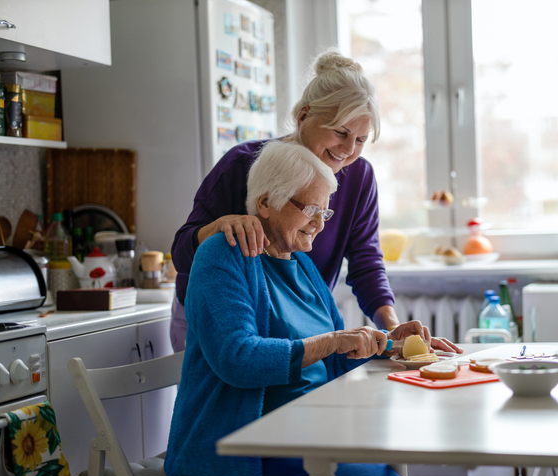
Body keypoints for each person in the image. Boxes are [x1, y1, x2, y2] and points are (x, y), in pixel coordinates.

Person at [170, 48, 462, 355]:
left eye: (361, 139)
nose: (349, 149)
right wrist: (218, 226)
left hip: (292, 325)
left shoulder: (358, 176)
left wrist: (391, 328)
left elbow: (365, 261)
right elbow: (181, 253)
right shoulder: (243, 164)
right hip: (219, 323)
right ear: (303, 115)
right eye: (341, 132)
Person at [164, 142, 424, 476]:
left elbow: (335, 359)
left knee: (386, 467)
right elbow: (237, 358)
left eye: (325, 212)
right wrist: (332, 341)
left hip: (311, 432)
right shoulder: (223, 255)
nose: (319, 224)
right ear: (266, 202)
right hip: (245, 448)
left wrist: (389, 344)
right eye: (309, 209)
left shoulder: (303, 264)